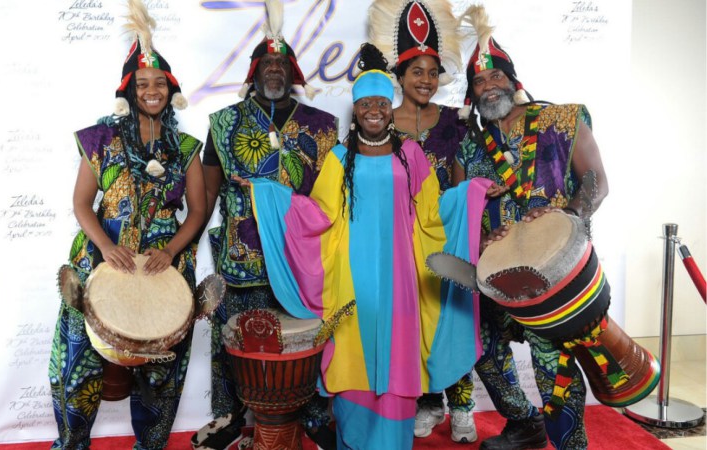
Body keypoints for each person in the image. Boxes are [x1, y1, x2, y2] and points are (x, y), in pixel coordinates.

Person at [240, 43, 495, 450]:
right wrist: (269, 195)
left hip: (401, 283)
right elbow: (318, 215)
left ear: (390, 107)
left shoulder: (412, 156)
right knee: (352, 361)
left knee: (397, 362)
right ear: (355, 110)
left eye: (381, 102)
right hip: (350, 282)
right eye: (364, 103)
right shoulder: (339, 159)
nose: (373, 109)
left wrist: (471, 193)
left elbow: (434, 213)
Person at [47, 1, 207, 448]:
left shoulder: (187, 147)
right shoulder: (101, 139)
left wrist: (172, 251)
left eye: (160, 83)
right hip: (101, 258)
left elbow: (196, 210)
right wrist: (103, 246)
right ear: (128, 89)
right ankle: (71, 443)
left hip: (162, 265)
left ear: (171, 89)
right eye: (142, 83)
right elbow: (81, 203)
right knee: (77, 365)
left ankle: (150, 444)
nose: (151, 90)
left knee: (162, 371)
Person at [453, 6, 609, 450]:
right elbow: (463, 207)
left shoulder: (562, 119)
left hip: (553, 275)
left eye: (496, 77)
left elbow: (597, 182)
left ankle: (570, 443)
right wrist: (482, 239)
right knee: (477, 346)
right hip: (498, 275)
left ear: (513, 80)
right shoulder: (470, 146)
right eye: (479, 82)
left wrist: (569, 216)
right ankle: (524, 423)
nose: (488, 86)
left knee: (551, 364)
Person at [192, 1, 339, 448]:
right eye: (267, 63)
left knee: (306, 335)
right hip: (243, 253)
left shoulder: (322, 126)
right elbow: (209, 192)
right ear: (254, 71)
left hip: (301, 254)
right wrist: (187, 249)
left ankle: (314, 415)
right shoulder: (224, 122)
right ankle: (229, 416)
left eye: (282, 63)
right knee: (233, 336)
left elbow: (329, 194)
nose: (274, 70)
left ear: (293, 72)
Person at [369, 0, 477, 441]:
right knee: (412, 322)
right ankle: (427, 402)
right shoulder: (377, 121)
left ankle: (463, 407)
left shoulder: (455, 122)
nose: (426, 81)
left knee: (451, 316)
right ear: (400, 75)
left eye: (433, 73)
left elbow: (460, 185)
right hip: (396, 243)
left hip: (444, 241)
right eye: (417, 72)